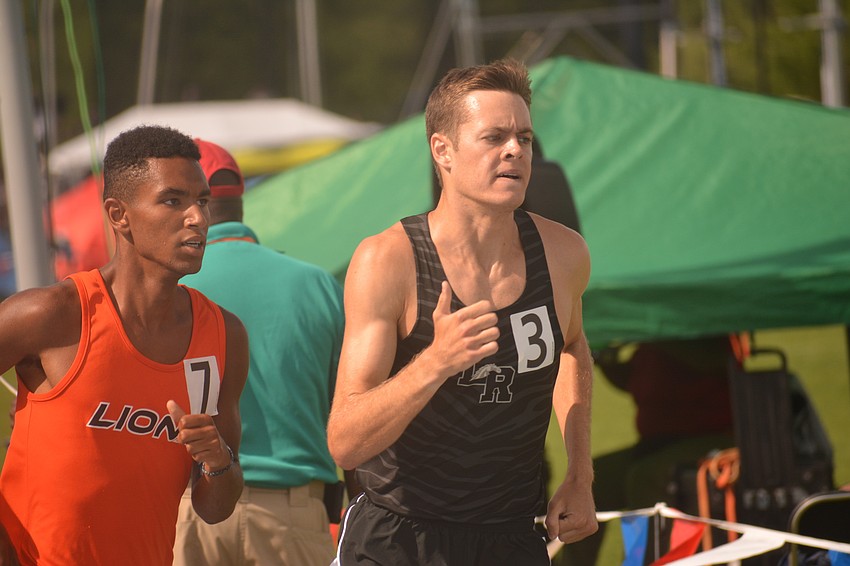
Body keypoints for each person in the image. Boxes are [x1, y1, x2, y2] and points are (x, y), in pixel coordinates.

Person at [327, 58, 598, 565]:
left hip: (511, 534)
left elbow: (572, 347)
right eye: (494, 137)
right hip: (399, 535)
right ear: (443, 150)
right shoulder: (389, 260)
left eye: (525, 138)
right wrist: (434, 362)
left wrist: (580, 475)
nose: (515, 150)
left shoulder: (564, 254)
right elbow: (345, 441)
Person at [0, 125, 248, 565]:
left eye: (203, 202)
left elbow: (215, 507)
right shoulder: (51, 314)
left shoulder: (223, 335)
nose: (198, 218)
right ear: (119, 215)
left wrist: (218, 461)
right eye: (173, 201)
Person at [173, 138, 347, 565]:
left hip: (190, 506)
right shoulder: (317, 284)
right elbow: (352, 408)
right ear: (240, 200)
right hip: (294, 513)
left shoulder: (168, 289)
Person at [560, 336, 736, 565]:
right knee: (591, 480)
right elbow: (636, 380)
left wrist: (652, 332)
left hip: (709, 437)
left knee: (643, 477)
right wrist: (607, 362)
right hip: (658, 441)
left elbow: (710, 361)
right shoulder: (650, 332)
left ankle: (641, 562)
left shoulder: (691, 331)